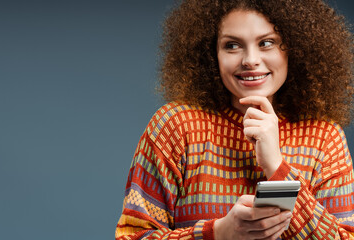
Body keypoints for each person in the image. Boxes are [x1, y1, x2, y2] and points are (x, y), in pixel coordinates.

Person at [116, 0, 354, 239]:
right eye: (232, 45)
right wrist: (217, 233)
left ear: (295, 48)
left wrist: (277, 167)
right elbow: (131, 236)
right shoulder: (175, 126)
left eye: (267, 43)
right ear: (212, 54)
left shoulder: (324, 138)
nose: (250, 60)